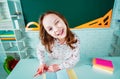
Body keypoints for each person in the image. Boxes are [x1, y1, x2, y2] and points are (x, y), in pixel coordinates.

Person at [34, 11, 80, 77]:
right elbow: (39, 49)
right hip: (52, 62)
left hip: (67, 64)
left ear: (63, 20)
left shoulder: (75, 39)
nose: (56, 29)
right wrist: (42, 63)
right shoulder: (48, 41)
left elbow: (75, 59)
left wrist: (59, 67)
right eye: (50, 29)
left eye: (57, 22)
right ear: (48, 33)